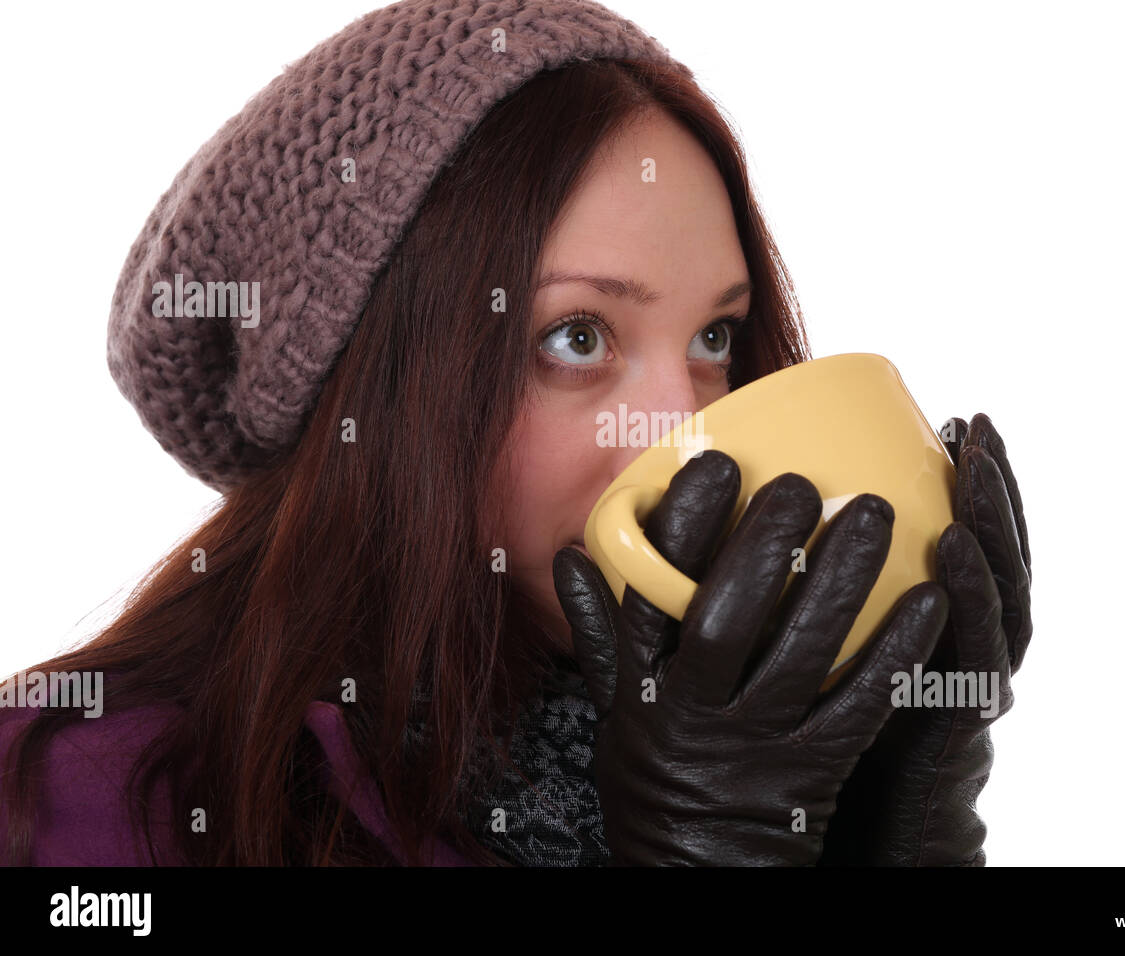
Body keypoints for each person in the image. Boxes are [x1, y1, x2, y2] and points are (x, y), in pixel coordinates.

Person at [0, 0, 1032, 867]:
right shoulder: (84, 796)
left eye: (715, 334)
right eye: (577, 335)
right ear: (373, 393)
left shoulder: (773, 757)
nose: (686, 423)